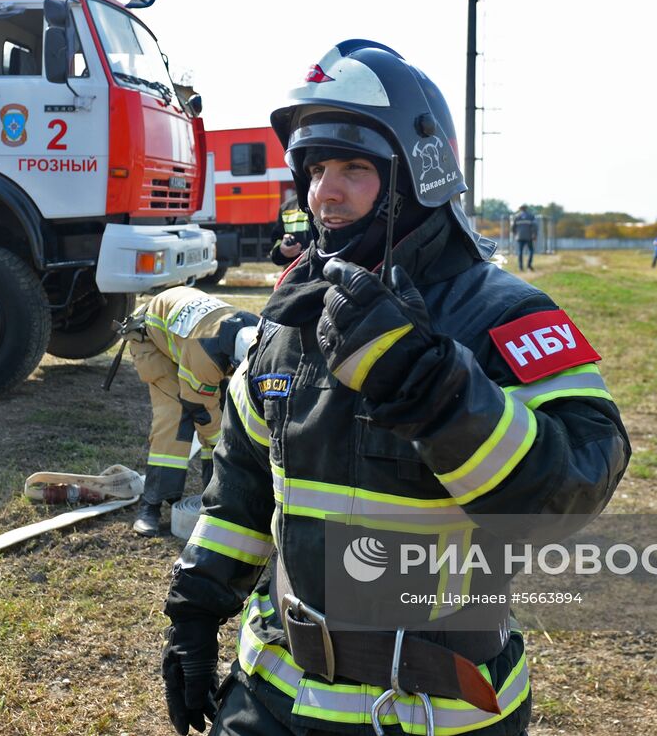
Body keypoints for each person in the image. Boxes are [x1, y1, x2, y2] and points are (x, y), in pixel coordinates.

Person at [160, 40, 629, 736]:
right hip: (272, 701)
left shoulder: (505, 316)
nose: (327, 192)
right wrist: (195, 611)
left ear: (417, 177)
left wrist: (435, 392)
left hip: (433, 714)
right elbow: (244, 488)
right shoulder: (291, 320)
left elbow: (571, 490)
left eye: (354, 167)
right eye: (316, 168)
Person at [122, 286, 260, 537]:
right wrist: (229, 447)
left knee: (222, 416)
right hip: (153, 341)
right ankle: (151, 505)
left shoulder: (258, 333)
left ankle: (215, 494)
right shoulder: (204, 353)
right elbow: (200, 408)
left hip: (189, 337)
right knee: (175, 419)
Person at [269, 188, 312, 266]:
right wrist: (282, 250)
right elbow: (276, 241)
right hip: (298, 274)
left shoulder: (336, 205)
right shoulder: (287, 207)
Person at [511, 204, 537, 270]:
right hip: (529, 236)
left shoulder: (516, 217)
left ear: (520, 209)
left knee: (520, 252)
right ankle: (529, 265)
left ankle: (520, 267)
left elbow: (513, 227)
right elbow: (534, 226)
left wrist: (515, 234)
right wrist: (534, 235)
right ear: (526, 208)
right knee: (531, 251)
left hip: (519, 237)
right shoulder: (531, 216)